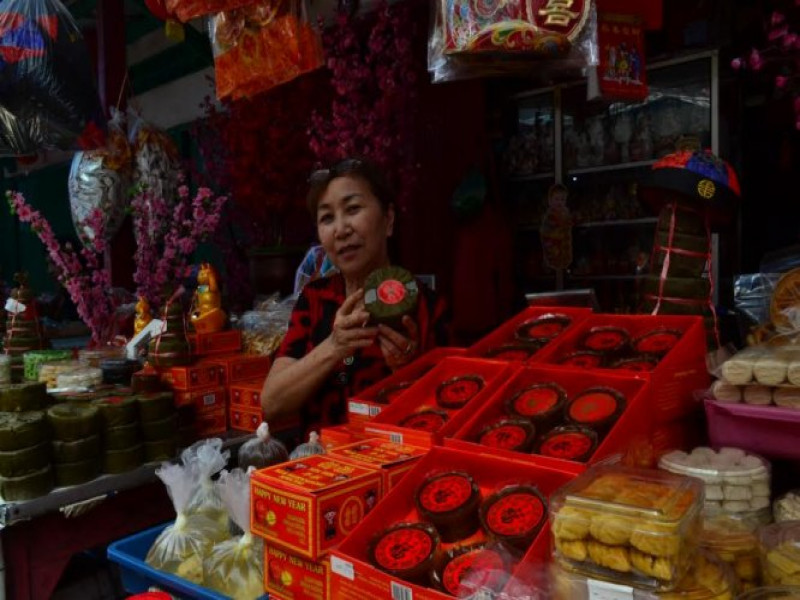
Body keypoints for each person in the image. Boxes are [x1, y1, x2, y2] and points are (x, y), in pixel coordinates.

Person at [261, 158, 449, 434]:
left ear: (388, 219)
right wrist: (334, 347)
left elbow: (453, 412)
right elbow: (272, 403)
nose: (341, 229)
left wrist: (407, 373)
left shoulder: (429, 307)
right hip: (320, 470)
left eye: (353, 209)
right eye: (327, 218)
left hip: (394, 469)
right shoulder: (314, 300)